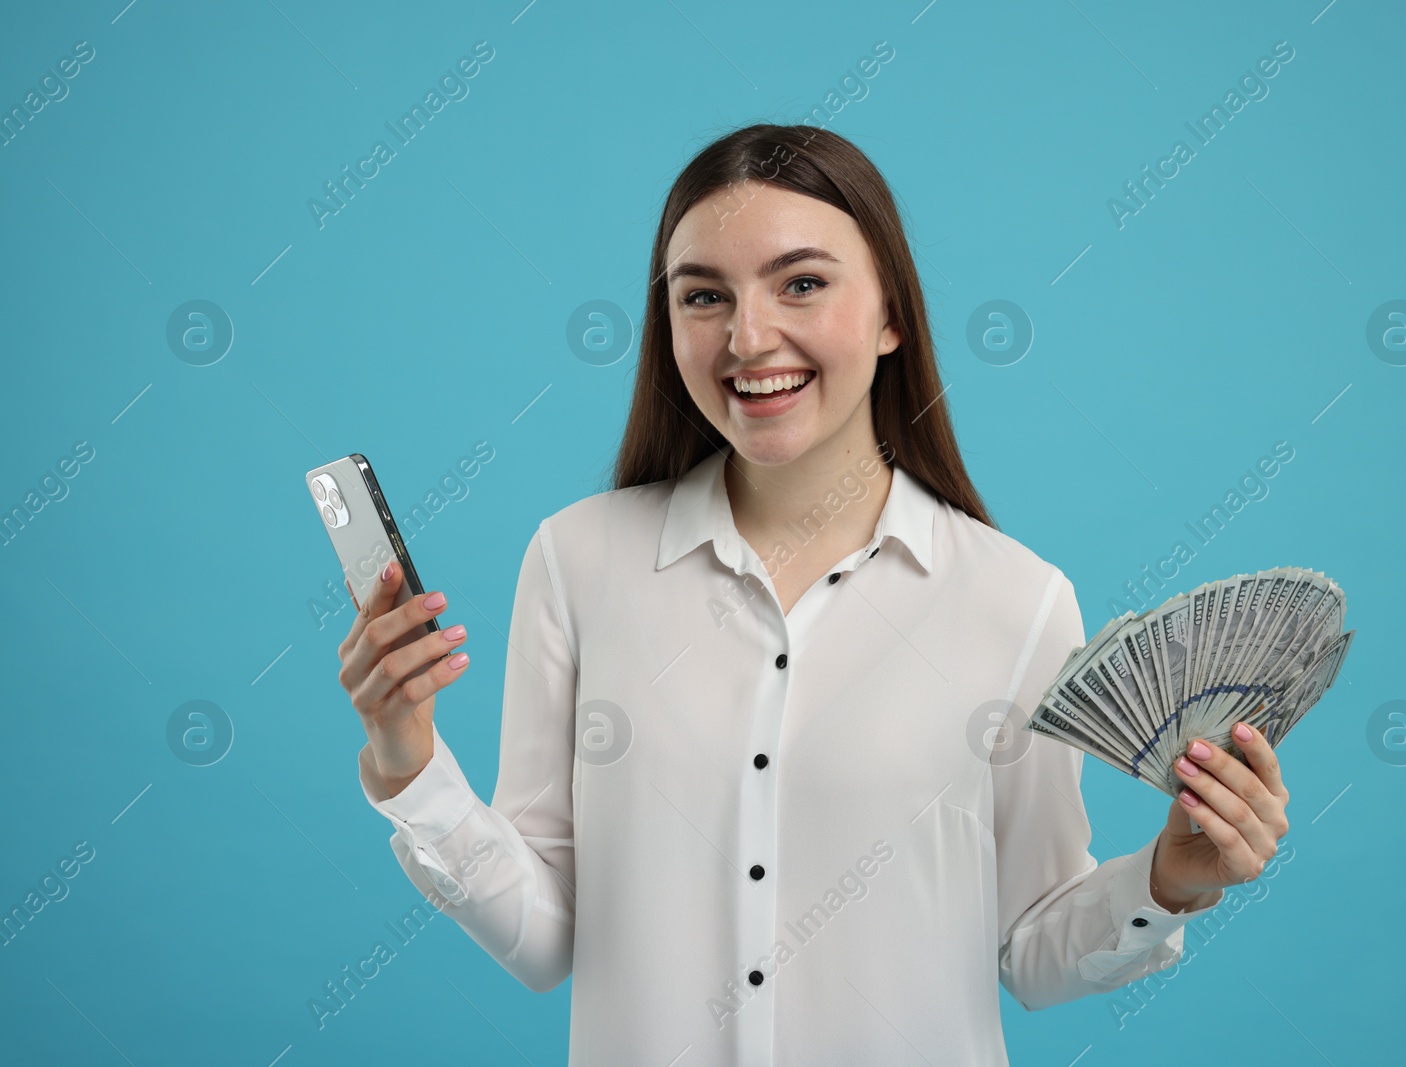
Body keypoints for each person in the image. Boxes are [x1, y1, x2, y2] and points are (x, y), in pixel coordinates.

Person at [336, 123, 1290, 1065]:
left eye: (801, 283)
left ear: (890, 316)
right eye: (703, 295)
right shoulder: (577, 561)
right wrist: (410, 763)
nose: (749, 338)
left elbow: (1031, 951)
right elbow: (546, 938)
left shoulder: (1018, 599)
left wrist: (1170, 880)